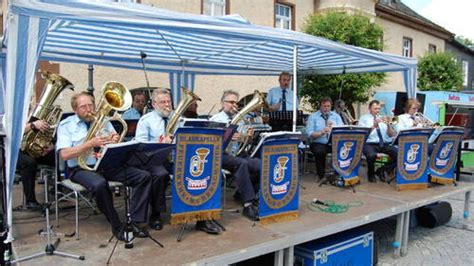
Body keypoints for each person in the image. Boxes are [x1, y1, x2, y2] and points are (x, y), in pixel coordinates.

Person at [56, 91, 152, 241]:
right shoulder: (66, 125)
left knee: (143, 176)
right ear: (75, 109)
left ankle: (135, 221)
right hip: (80, 168)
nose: (89, 109)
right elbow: (65, 154)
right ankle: (117, 225)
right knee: (100, 184)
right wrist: (90, 144)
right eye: (83, 107)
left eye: (90, 105)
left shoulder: (103, 121)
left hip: (105, 164)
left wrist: (114, 140)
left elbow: (114, 141)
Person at [135, 88, 221, 234]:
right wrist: (160, 142)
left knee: (200, 172)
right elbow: (140, 146)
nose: (167, 105)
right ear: (154, 103)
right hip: (155, 160)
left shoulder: (179, 119)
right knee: (160, 175)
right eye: (163, 102)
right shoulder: (146, 121)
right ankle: (156, 214)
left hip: (178, 158)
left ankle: (202, 218)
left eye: (169, 101)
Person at [210, 90, 261, 221]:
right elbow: (211, 143)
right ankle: (248, 204)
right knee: (241, 164)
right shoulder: (215, 120)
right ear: (223, 103)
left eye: (236, 103)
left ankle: (242, 193)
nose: (234, 105)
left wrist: (248, 137)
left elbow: (245, 142)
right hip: (220, 154)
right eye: (231, 102)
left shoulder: (241, 120)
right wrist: (228, 137)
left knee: (261, 165)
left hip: (237, 153)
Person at [16, 119, 55, 210]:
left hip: (35, 147)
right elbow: (13, 132)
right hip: (16, 150)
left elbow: (50, 130)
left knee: (58, 154)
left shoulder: (38, 113)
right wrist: (32, 125)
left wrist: (51, 145)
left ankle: (59, 188)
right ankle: (30, 201)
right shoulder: (15, 111)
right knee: (29, 162)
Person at [357, 100, 398, 183]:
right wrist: (374, 125)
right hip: (369, 143)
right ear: (369, 108)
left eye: (379, 109)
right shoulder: (363, 118)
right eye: (375, 109)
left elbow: (391, 135)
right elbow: (363, 134)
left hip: (384, 143)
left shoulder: (383, 118)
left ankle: (381, 170)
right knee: (371, 155)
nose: (377, 111)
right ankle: (371, 174)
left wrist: (388, 125)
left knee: (399, 153)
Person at [306, 97, 344, 180]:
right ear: (320, 106)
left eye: (328, 106)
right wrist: (322, 131)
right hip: (318, 142)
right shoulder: (313, 117)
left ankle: (339, 173)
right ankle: (321, 175)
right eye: (324, 106)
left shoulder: (336, 116)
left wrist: (334, 129)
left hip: (333, 142)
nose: (326, 108)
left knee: (343, 149)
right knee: (319, 151)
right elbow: (310, 134)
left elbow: (342, 129)